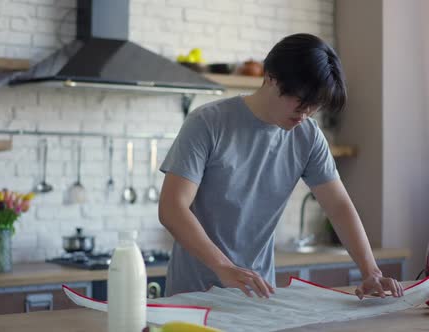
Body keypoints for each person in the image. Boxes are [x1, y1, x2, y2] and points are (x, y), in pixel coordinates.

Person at [158, 33, 404, 300]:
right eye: (301, 100)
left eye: (314, 106)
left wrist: (371, 272)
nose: (306, 113)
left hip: (257, 296)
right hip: (193, 296)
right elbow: (172, 209)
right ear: (271, 77)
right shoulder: (207, 123)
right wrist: (224, 267)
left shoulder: (308, 136)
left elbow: (338, 205)